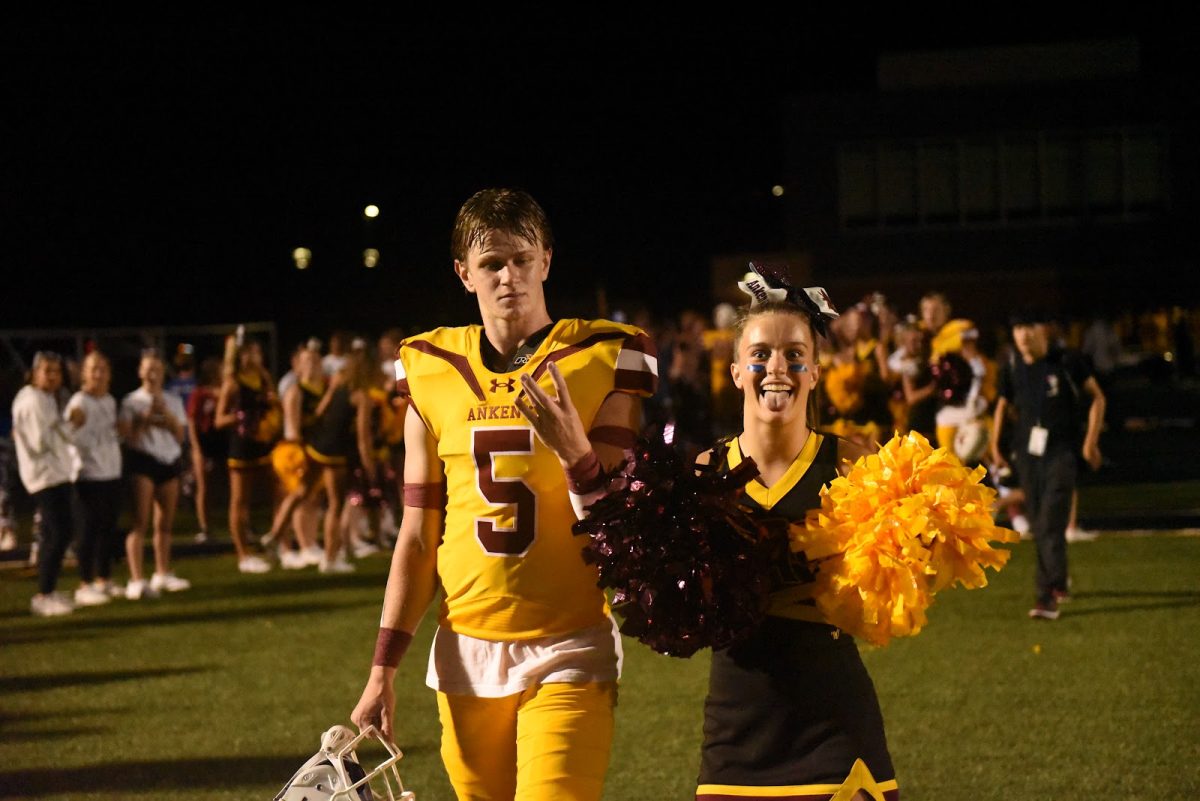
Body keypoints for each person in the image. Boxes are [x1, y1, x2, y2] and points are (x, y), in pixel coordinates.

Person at [349, 188, 657, 801]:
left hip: (570, 642)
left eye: (520, 258)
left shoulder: (601, 354)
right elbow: (416, 536)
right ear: (464, 274)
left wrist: (578, 453)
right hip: (465, 650)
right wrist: (382, 669)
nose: (508, 276)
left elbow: (623, 527)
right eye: (491, 264)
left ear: (546, 258)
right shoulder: (430, 366)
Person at [693, 280, 898, 801]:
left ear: (816, 370)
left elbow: (898, 591)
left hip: (834, 724)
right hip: (737, 732)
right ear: (737, 370)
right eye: (760, 354)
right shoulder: (703, 474)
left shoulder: (856, 466)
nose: (777, 368)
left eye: (794, 354)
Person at [990, 309, 1106, 621]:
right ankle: (1060, 580)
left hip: (1062, 451)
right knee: (1043, 520)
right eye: (1017, 329)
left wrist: (1090, 442)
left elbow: (1098, 398)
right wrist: (995, 445)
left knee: (1049, 520)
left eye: (1029, 327)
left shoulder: (1067, 361)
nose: (1023, 336)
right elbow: (1002, 405)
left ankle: (1047, 594)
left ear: (1044, 330)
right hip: (1027, 455)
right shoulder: (1012, 366)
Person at [264, 340, 375, 574]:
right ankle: (330, 559)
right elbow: (364, 438)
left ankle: (273, 536)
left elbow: (319, 412)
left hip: (317, 446)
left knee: (302, 492)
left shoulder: (335, 384)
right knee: (335, 505)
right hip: (334, 453)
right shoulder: (361, 396)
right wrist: (369, 466)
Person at [12, 351, 82, 616]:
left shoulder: (42, 398)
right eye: (47, 371)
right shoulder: (32, 399)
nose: (53, 377)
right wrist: (70, 426)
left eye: (56, 371)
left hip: (53, 473)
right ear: (34, 372)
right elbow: (43, 441)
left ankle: (48, 590)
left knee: (57, 533)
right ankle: (44, 594)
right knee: (59, 532)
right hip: (45, 475)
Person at [119, 350, 191, 599]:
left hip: (168, 461)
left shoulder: (173, 400)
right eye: (148, 369)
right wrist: (144, 420)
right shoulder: (131, 401)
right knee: (140, 522)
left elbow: (181, 436)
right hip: (143, 461)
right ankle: (137, 579)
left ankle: (162, 572)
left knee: (165, 523)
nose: (153, 375)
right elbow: (128, 438)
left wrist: (168, 418)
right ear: (140, 372)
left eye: (157, 370)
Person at [215, 335, 279, 573]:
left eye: (257, 352)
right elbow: (219, 419)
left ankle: (277, 542)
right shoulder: (233, 382)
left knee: (278, 492)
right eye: (249, 352)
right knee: (239, 501)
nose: (254, 357)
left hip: (263, 444)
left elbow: (273, 403)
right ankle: (243, 554)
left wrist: (273, 405)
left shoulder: (263, 377)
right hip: (241, 447)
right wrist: (240, 417)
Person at [65, 351, 124, 603]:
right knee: (87, 530)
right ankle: (84, 583)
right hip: (88, 474)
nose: (98, 374)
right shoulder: (79, 401)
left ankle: (104, 579)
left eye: (103, 369)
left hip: (111, 472)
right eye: (93, 369)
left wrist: (119, 434)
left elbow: (110, 435)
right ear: (84, 374)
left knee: (107, 528)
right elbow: (68, 435)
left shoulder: (109, 401)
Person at [186, 357, 225, 543]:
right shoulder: (200, 394)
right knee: (203, 486)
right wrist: (196, 447)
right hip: (204, 443)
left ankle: (241, 525)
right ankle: (205, 528)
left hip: (222, 444)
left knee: (227, 486)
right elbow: (192, 421)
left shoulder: (225, 392)